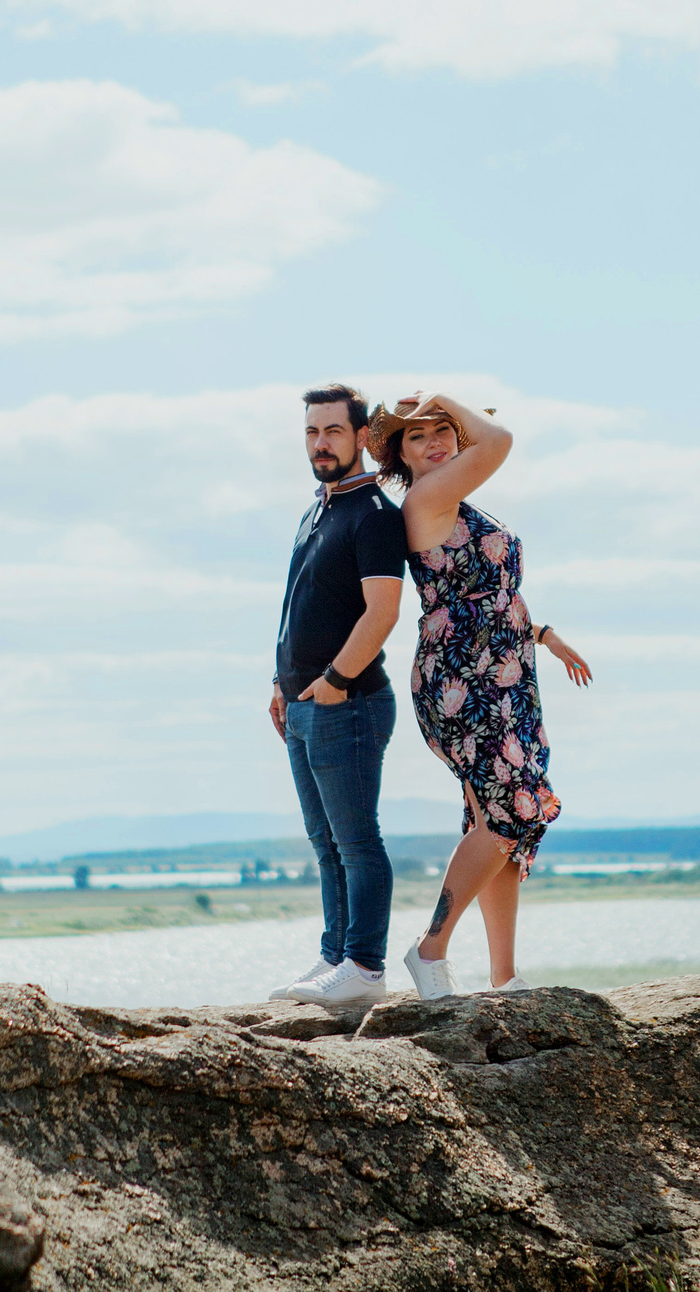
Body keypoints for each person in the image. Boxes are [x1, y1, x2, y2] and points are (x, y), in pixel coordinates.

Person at [371, 391, 591, 998]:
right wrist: (443, 396)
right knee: (512, 808)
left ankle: (503, 975)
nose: (436, 441)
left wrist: (541, 633)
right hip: (464, 678)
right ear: (401, 455)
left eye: (445, 430)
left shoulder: (461, 503)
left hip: (507, 671)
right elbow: (498, 441)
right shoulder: (427, 497)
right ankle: (429, 948)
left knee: (496, 820)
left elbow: (484, 587)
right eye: (418, 436)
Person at [266, 383, 407, 1008]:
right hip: (301, 705)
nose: (320, 443)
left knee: (356, 843)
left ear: (360, 438)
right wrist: (282, 683)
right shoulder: (317, 509)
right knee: (325, 846)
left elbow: (383, 613)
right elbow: (298, 605)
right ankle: (335, 958)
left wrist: (333, 683)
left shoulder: (374, 515)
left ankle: (365, 967)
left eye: (332, 431)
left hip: (347, 703)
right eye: (311, 432)